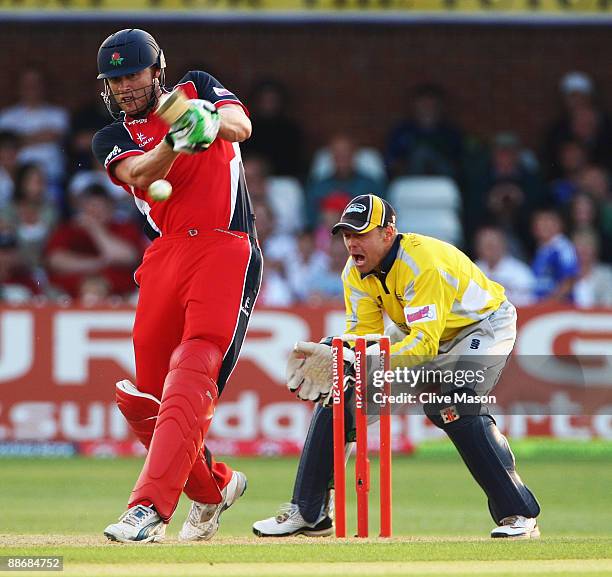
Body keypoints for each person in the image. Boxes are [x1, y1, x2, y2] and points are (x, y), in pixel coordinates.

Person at [253, 194, 540, 539]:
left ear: (389, 233)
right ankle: (310, 512)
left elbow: (425, 345)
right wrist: (348, 358)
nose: (351, 244)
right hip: (413, 332)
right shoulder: (354, 273)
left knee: (452, 404)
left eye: (361, 234)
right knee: (342, 396)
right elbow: (365, 335)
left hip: (480, 327)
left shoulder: (423, 263)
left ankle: (518, 514)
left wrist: (362, 359)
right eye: (347, 235)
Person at [91, 29, 262, 543]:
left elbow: (242, 125)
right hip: (165, 254)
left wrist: (206, 119)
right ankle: (215, 489)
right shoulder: (111, 136)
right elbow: (141, 173)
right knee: (144, 396)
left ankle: (147, 510)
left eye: (131, 75)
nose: (123, 87)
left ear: (156, 70)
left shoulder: (198, 86)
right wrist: (175, 140)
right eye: (114, 80)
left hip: (224, 245)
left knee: (194, 366)